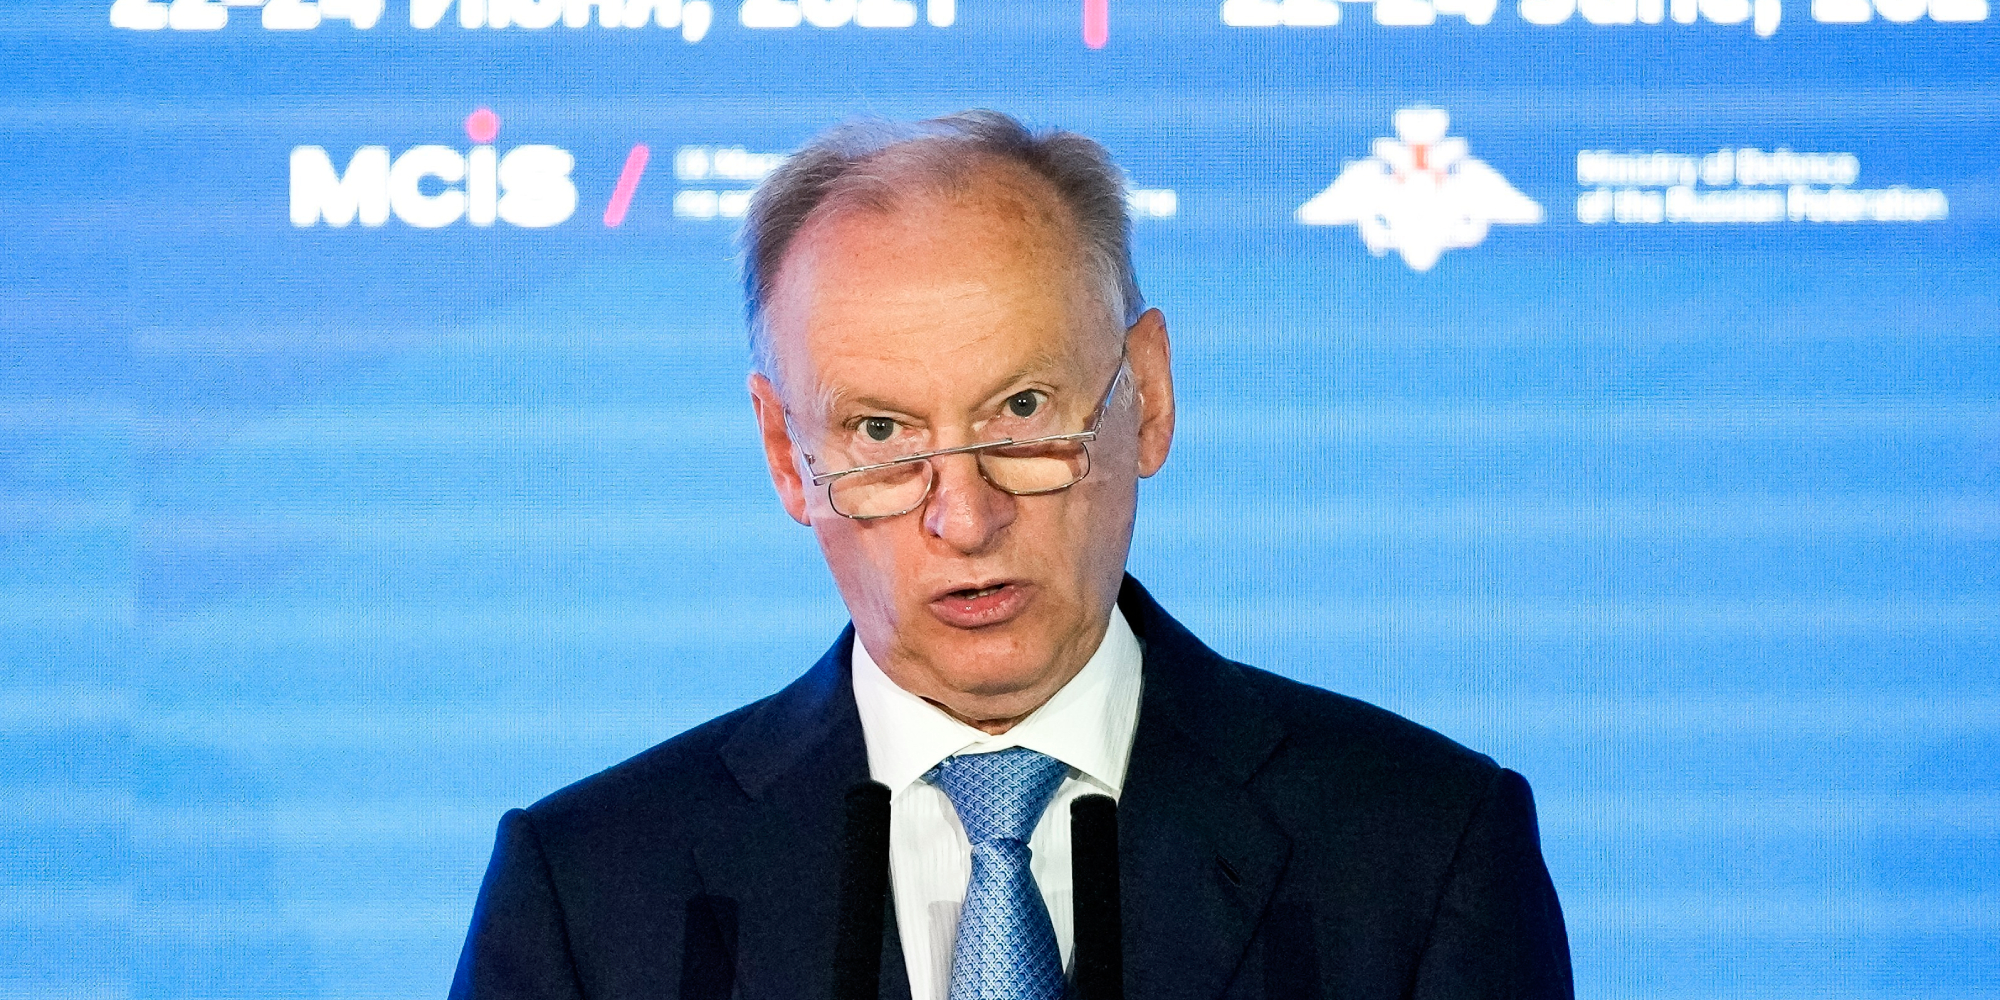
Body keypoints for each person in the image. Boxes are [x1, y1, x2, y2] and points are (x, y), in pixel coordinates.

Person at [449, 110, 1572, 1000]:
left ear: (1147, 396)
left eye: (1023, 410)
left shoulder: (1422, 852)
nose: (964, 516)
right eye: (881, 433)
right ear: (787, 458)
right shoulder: (589, 896)